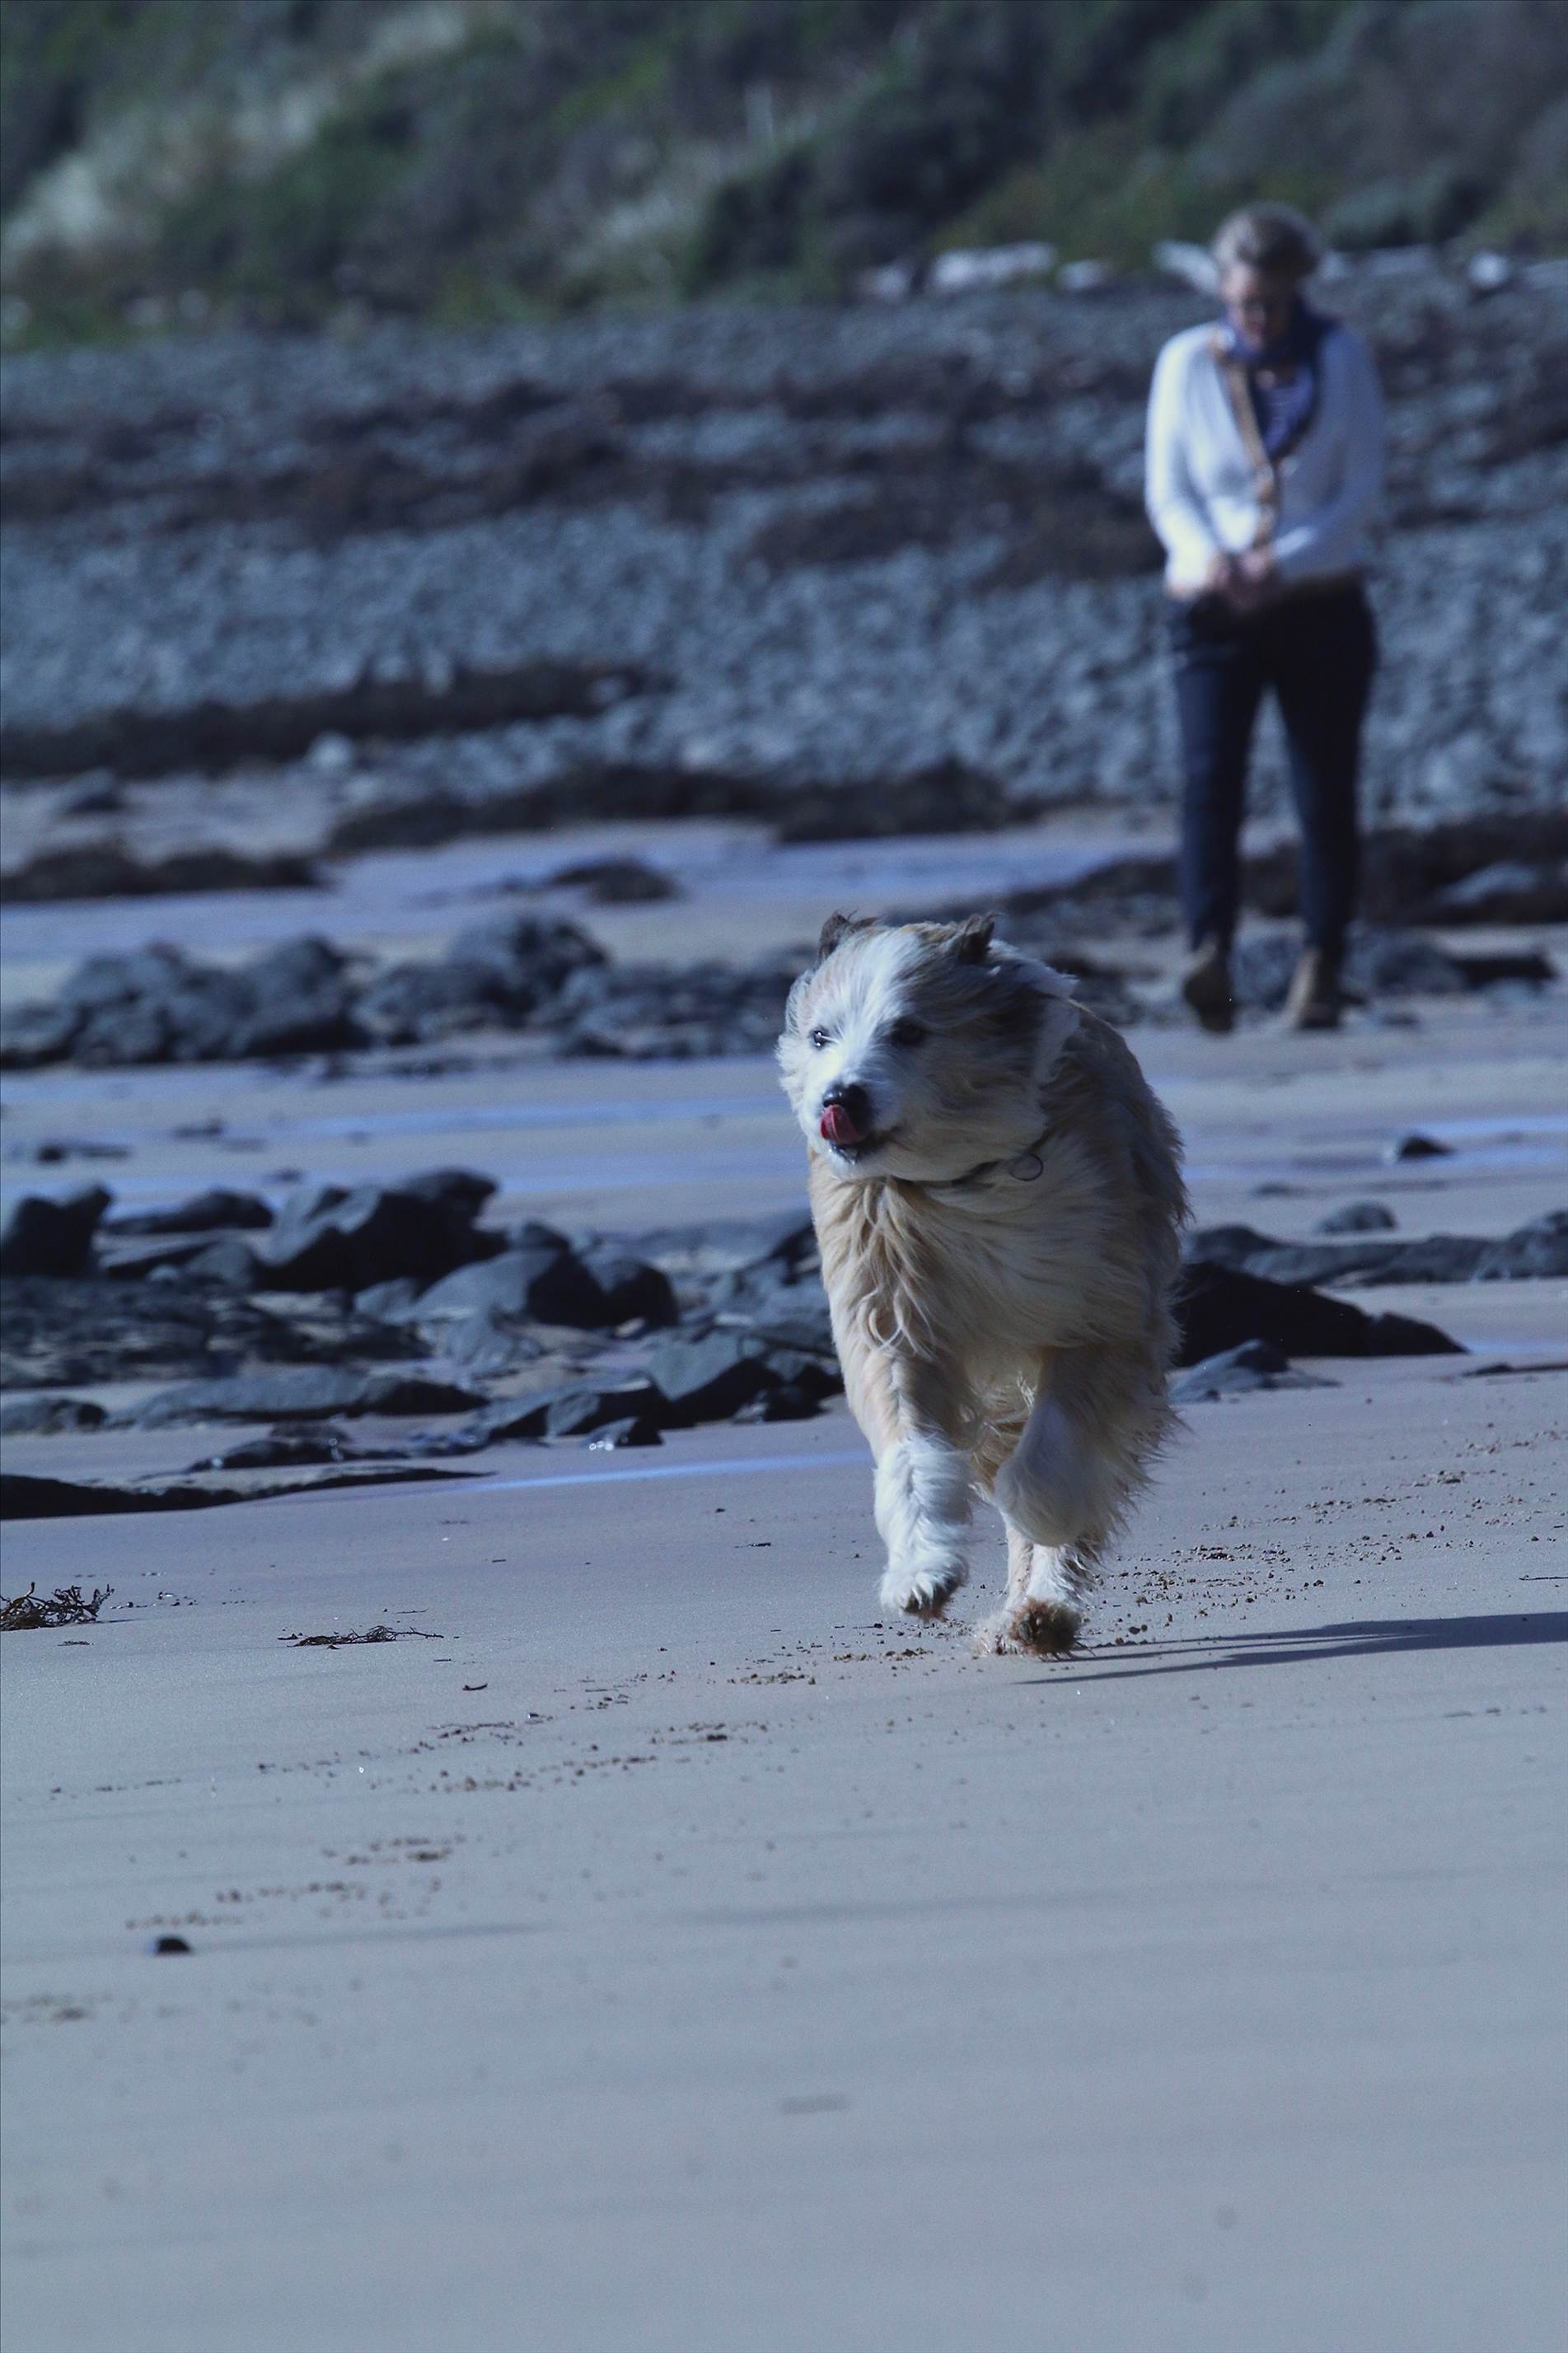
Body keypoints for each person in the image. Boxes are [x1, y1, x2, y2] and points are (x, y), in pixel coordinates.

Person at [1145, 203, 1384, 1031]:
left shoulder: (1341, 357)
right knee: (1209, 782)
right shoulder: (1185, 363)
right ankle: (1207, 950)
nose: (1255, 319)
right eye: (1242, 302)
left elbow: (1358, 493)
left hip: (1318, 602)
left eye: (1270, 304)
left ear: (1296, 292)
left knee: (1324, 788)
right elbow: (1167, 488)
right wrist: (1212, 558)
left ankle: (1321, 962)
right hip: (1210, 606)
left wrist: (1277, 563)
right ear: (1221, 291)